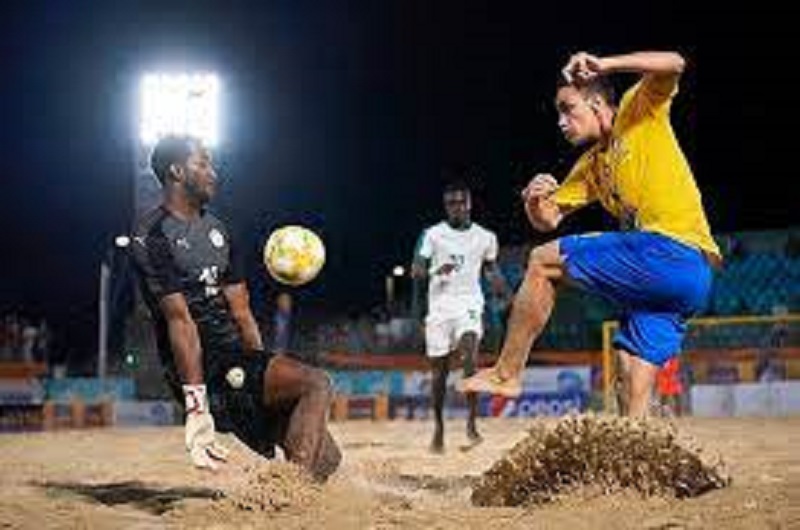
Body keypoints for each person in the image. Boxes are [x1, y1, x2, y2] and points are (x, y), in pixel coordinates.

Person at [461, 51, 720, 417]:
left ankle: (506, 373)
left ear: (597, 102)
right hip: (685, 283)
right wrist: (534, 202)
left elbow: (676, 62)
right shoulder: (591, 165)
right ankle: (637, 464)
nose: (561, 122)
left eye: (568, 109)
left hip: (670, 251)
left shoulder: (637, 111)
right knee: (630, 379)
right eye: (558, 113)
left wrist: (608, 65)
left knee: (540, 262)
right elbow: (548, 219)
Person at [130, 135, 340, 479]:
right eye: (203, 163)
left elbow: (241, 312)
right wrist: (197, 407)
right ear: (176, 171)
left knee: (327, 458)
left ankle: (285, 505)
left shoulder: (219, 230)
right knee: (316, 383)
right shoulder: (151, 235)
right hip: (203, 367)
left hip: (238, 363)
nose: (213, 173)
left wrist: (261, 374)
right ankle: (292, 496)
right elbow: (180, 322)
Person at [411, 181, 506, 452]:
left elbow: (491, 270)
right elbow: (417, 269)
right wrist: (435, 270)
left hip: (469, 304)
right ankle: (439, 428)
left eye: (461, 203)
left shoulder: (486, 237)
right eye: (451, 204)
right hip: (439, 308)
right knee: (439, 374)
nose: (456, 208)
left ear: (470, 204)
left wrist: (505, 292)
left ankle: (472, 425)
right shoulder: (432, 235)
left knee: (469, 355)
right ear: (446, 207)